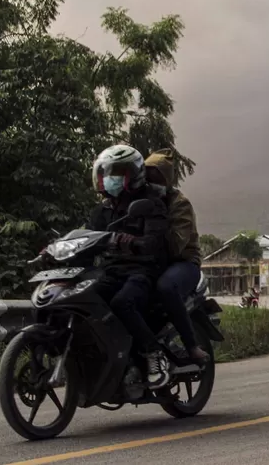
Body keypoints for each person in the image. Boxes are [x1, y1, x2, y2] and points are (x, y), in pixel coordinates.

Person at [88, 144, 172, 389]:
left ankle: (153, 353)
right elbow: (89, 240)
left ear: (132, 175)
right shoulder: (101, 211)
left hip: (141, 271)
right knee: (85, 298)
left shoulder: (150, 205)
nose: (110, 179)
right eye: (106, 173)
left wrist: (132, 242)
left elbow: (154, 243)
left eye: (117, 173)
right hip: (110, 271)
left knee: (122, 302)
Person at [144, 149, 210, 364]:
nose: (150, 180)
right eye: (146, 175)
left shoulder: (179, 204)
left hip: (183, 263)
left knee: (166, 287)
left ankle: (191, 345)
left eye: (156, 176)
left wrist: (159, 215)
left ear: (167, 179)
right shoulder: (137, 201)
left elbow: (176, 246)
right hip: (151, 262)